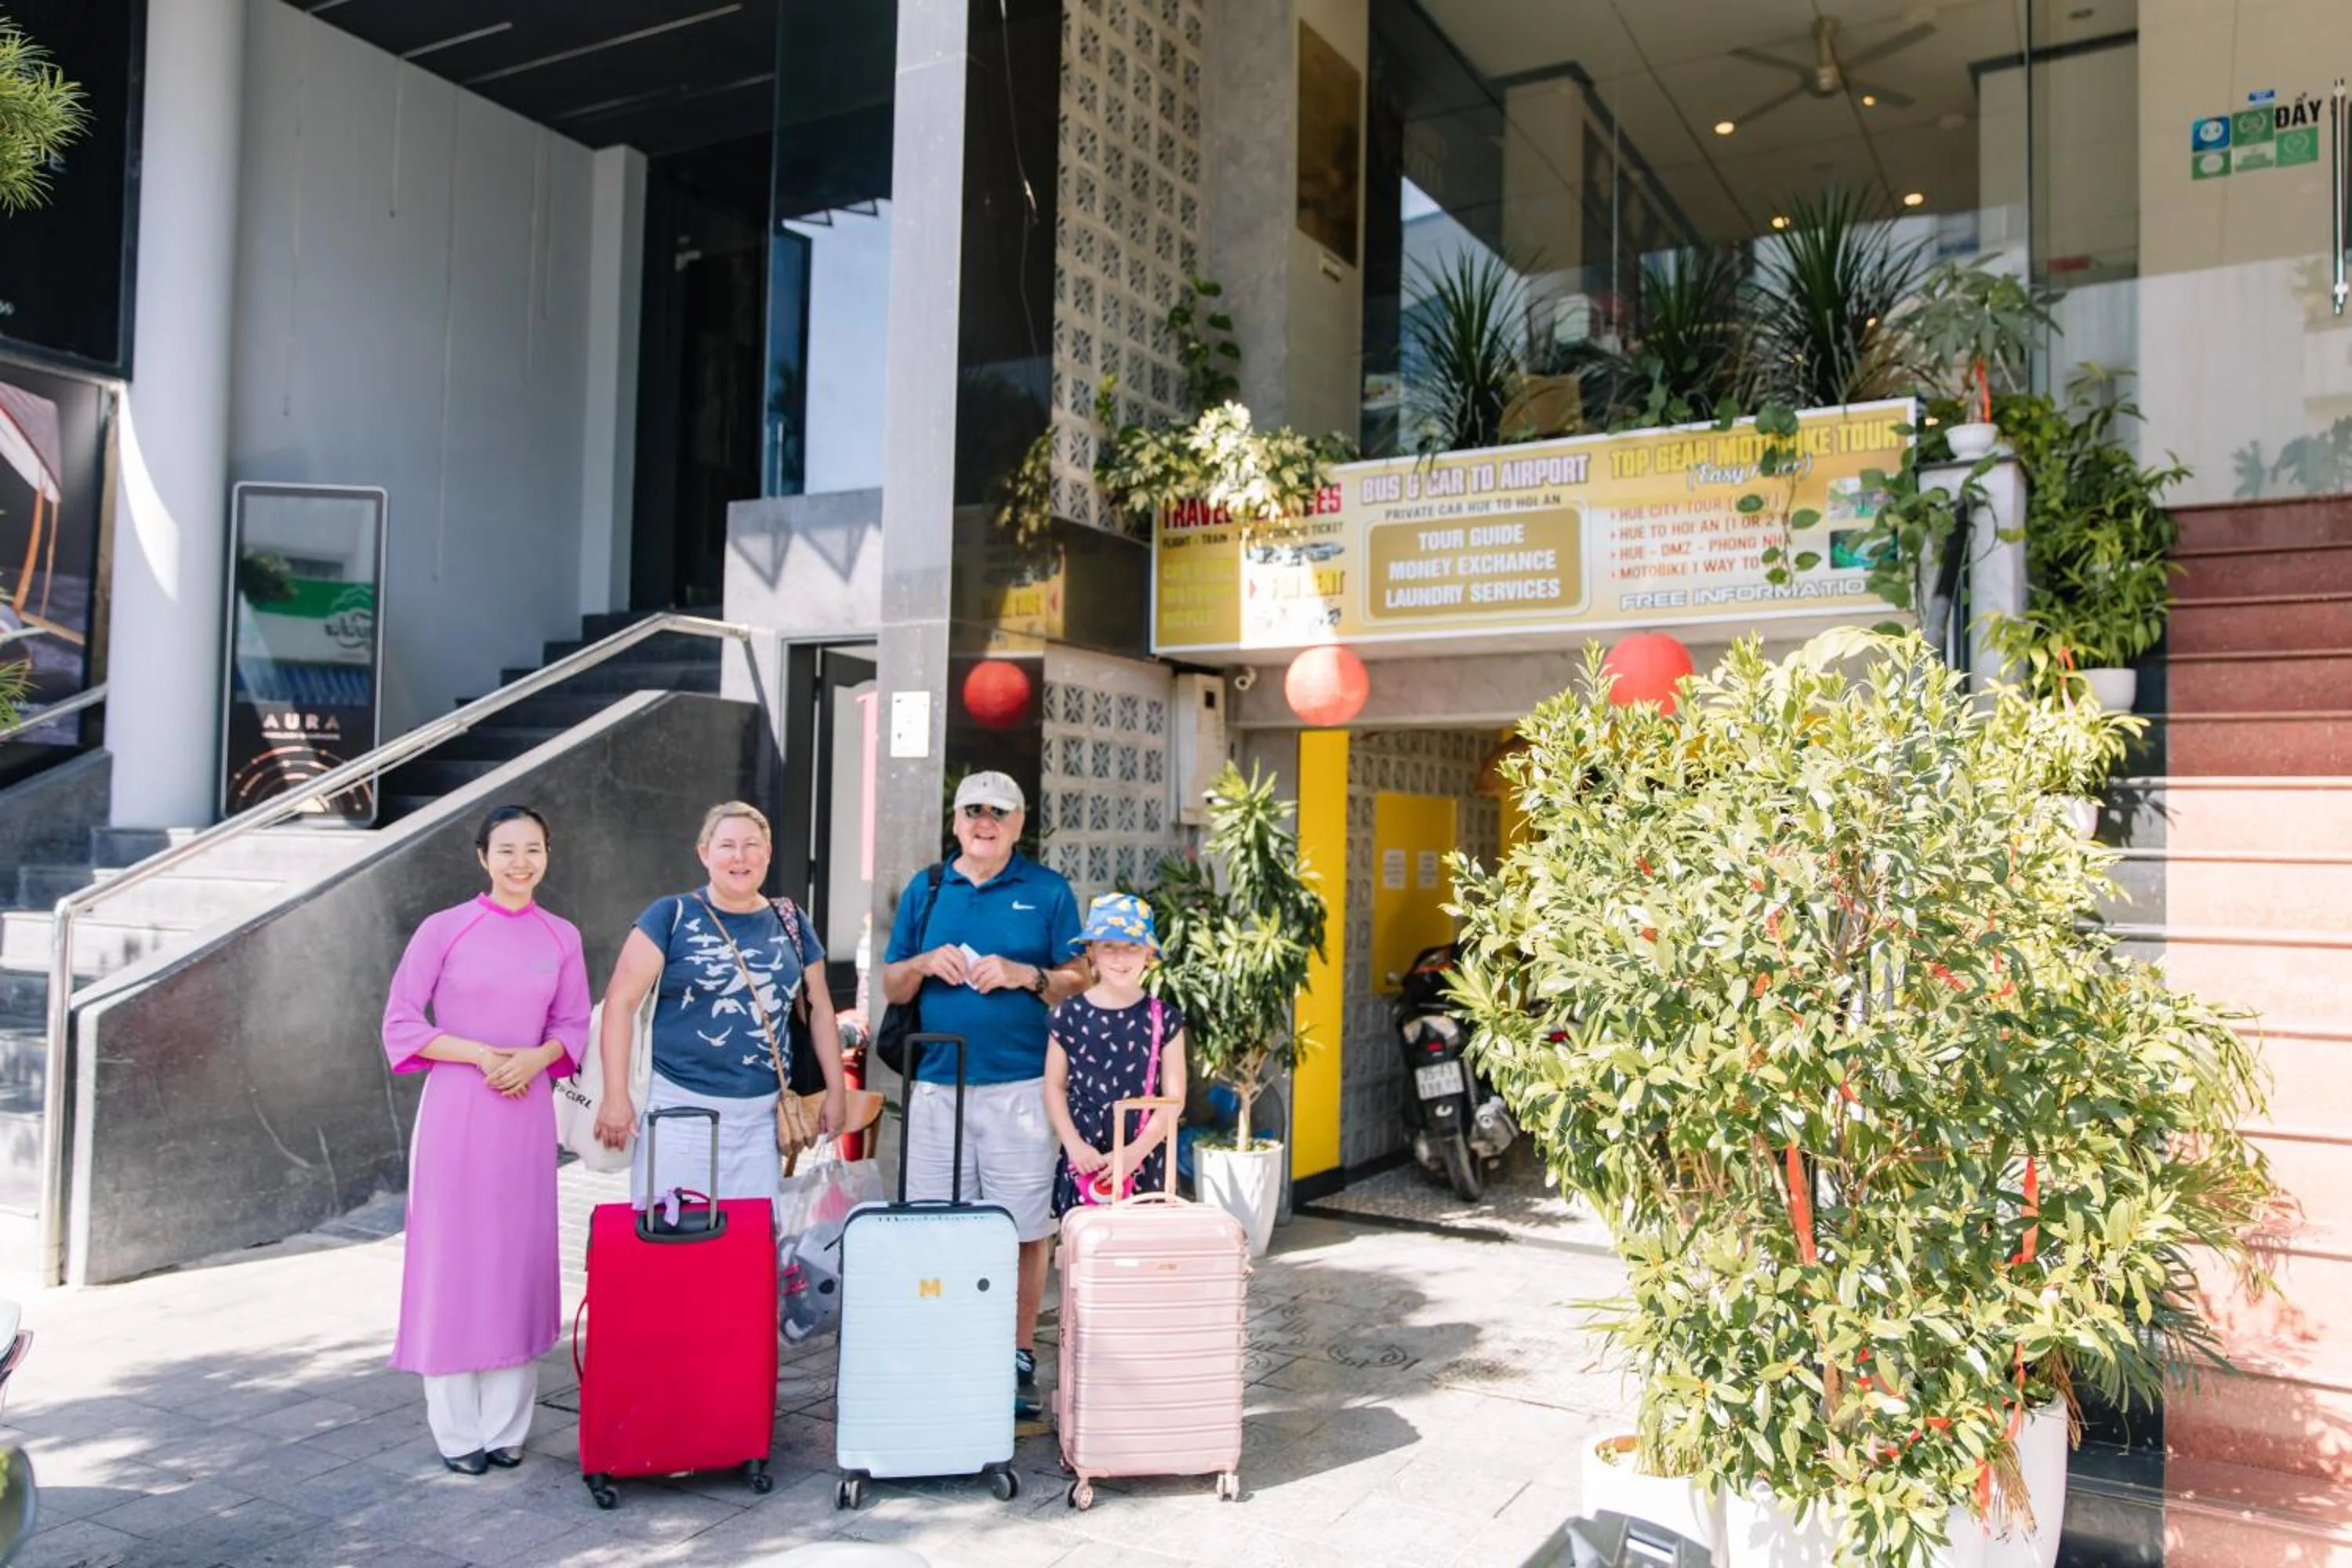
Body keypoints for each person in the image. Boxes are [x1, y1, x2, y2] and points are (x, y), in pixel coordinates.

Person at [382, 804, 591, 1475]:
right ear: (483, 857)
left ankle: (506, 1427)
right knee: (452, 1259)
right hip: (456, 1108)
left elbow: (573, 1026)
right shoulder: (444, 928)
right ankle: (456, 1432)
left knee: (515, 1259)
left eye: (533, 849)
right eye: (507, 850)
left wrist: (536, 1059)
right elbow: (402, 1022)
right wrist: (479, 1054)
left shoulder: (561, 936)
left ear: (548, 854)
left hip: (525, 1113)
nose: (520, 862)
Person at [880, 771, 1085, 1425]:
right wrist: (922, 964)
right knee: (934, 1224)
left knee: (1022, 1229)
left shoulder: (1048, 891)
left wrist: (1028, 975)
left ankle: (1016, 1356)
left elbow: (1079, 977)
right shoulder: (927, 888)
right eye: (973, 810)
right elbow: (890, 984)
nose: (985, 821)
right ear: (956, 820)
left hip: (1022, 1089)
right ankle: (944, 1347)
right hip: (937, 1087)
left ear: (1019, 824)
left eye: (1000, 811)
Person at [592, 801, 848, 1203]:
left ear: (768, 853)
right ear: (704, 853)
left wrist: (837, 1090)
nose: (739, 857)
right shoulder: (671, 915)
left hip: (763, 1119)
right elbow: (620, 1003)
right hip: (680, 1109)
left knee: (751, 1235)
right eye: (727, 845)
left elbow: (819, 1009)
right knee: (676, 1230)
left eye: (751, 845)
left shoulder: (791, 920)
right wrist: (615, 1095)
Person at [1046, 894, 1187, 1214]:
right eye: (1109, 946)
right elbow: (1054, 1086)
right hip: (1086, 1161)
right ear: (1090, 951)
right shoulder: (1068, 1015)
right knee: (1087, 1242)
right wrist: (1074, 1145)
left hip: (1145, 1159)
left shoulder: (1164, 1019)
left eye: (1132, 946)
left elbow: (1174, 1098)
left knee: (1143, 1242)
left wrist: (1134, 1154)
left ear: (1149, 953)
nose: (1120, 958)